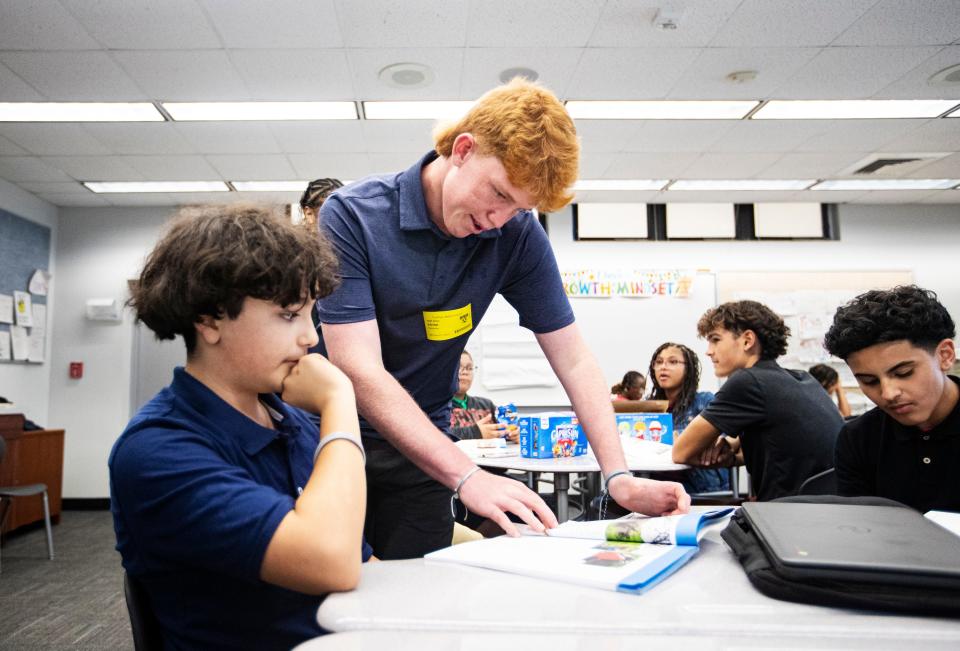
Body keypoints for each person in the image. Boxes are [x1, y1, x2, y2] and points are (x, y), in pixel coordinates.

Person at [314, 77, 689, 559]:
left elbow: (574, 360)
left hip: (422, 452)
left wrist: (617, 478)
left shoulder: (516, 234)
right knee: (326, 595)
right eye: (497, 193)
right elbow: (357, 367)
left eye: (518, 207)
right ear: (463, 149)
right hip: (332, 439)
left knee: (418, 607)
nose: (497, 219)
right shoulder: (353, 215)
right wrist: (467, 474)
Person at [109, 205, 370, 649]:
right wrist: (340, 400)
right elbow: (332, 561)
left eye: (312, 315)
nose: (310, 337)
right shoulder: (157, 450)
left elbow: (361, 561)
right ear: (210, 319)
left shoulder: (290, 421)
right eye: (289, 315)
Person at [671, 300, 842, 500]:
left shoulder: (747, 381)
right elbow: (784, 450)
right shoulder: (800, 378)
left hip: (786, 514)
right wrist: (732, 456)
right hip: (826, 507)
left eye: (715, 340)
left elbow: (680, 452)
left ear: (747, 340)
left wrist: (721, 450)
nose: (709, 351)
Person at [824, 285, 960, 512]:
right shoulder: (859, 438)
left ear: (945, 356)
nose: (888, 394)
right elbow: (860, 529)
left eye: (903, 373)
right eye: (869, 381)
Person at [646, 342, 729, 494]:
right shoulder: (649, 407)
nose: (663, 367)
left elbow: (722, 441)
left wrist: (677, 436)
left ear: (688, 369)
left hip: (700, 486)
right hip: (657, 484)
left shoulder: (704, 401)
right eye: (658, 362)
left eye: (673, 361)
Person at [449, 350, 517, 442]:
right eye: (459, 367)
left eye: (469, 368)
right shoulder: (437, 407)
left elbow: (503, 432)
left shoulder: (486, 405)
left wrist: (512, 434)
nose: (465, 372)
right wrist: (475, 432)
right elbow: (436, 436)